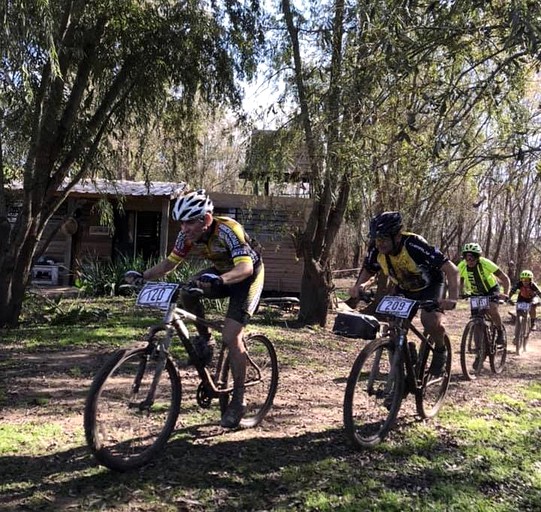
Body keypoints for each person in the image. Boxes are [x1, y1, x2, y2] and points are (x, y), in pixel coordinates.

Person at [125, 189, 264, 429]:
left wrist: (220, 281)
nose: (184, 228)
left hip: (247, 276)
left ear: (206, 220)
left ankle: (239, 400)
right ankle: (205, 340)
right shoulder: (186, 236)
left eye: (190, 222)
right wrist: (142, 276)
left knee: (232, 336)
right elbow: (170, 263)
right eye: (181, 222)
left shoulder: (229, 230)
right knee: (187, 291)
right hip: (221, 272)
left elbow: (245, 269)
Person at [348, 211, 459, 376]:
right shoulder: (376, 249)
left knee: (430, 321)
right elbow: (369, 269)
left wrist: (452, 298)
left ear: (397, 236)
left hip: (430, 285)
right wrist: (358, 286)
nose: (379, 244)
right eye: (376, 239)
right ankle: (405, 356)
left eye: (384, 238)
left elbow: (452, 270)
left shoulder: (414, 245)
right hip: (404, 287)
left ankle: (440, 350)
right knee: (393, 326)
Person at [457, 242, 511, 346]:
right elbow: (460, 281)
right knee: (476, 320)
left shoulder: (486, 263)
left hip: (491, 290)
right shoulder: (462, 266)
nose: (470, 261)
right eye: (467, 258)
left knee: (492, 309)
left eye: (472, 258)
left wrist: (506, 294)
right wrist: (461, 292)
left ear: (478, 257)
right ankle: (479, 351)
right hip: (476, 293)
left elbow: (505, 278)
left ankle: (500, 331)